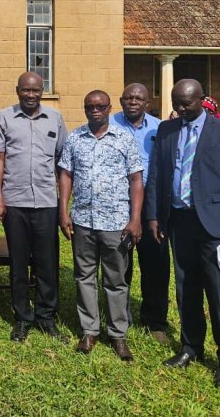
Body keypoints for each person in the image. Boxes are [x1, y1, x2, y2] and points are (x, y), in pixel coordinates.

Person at [145, 79, 220, 389]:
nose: (180, 108)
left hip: (214, 226)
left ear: (202, 100)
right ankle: (191, 347)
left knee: (218, 292)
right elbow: (156, 176)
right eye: (176, 103)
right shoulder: (167, 130)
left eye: (186, 103)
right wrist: (154, 216)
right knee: (185, 289)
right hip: (179, 221)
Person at [59, 90, 144, 361]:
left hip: (116, 222)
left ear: (109, 108)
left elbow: (136, 180)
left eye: (100, 106)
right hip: (83, 220)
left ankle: (118, 334)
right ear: (85, 109)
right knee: (84, 277)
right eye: (90, 107)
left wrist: (135, 219)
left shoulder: (124, 138)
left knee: (115, 280)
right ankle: (89, 331)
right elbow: (66, 175)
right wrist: (63, 211)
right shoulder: (74, 138)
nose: (95, 111)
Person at [0, 71, 67, 343]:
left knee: (47, 262)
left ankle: (46, 316)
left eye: (35, 90)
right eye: (26, 90)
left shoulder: (55, 119)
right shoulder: (5, 118)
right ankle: (23, 317)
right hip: (15, 201)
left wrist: (63, 205)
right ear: (17, 90)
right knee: (18, 261)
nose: (31, 95)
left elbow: (62, 162)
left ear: (42, 91)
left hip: (46, 202)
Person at [113, 83, 168, 342]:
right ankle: (119, 316)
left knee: (155, 263)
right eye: (128, 97)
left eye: (139, 98)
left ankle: (155, 320)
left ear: (148, 103)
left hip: (151, 204)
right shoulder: (109, 124)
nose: (133, 101)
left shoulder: (160, 128)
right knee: (119, 262)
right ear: (121, 100)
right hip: (118, 202)